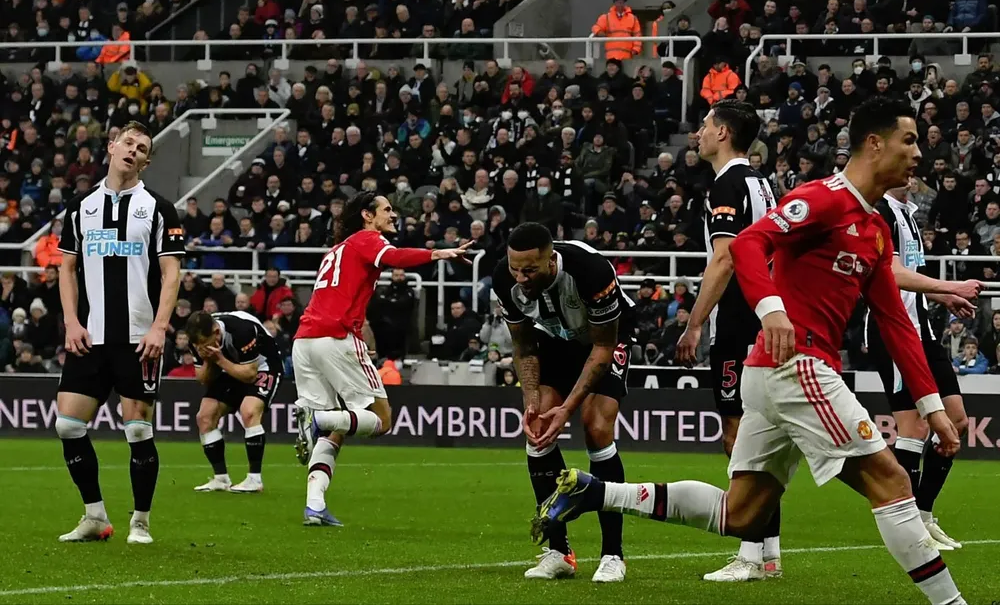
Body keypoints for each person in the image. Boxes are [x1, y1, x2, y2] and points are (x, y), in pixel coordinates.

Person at [531, 98, 966, 605]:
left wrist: (932, 409)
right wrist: (772, 309)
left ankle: (596, 491)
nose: (919, 154)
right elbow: (747, 245)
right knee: (892, 482)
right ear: (875, 143)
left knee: (741, 514)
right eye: (909, 141)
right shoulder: (824, 199)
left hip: (771, 373)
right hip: (796, 364)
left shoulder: (873, 230)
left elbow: (896, 324)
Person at [292, 191, 470, 526]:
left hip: (305, 341)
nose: (393, 214)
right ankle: (317, 420)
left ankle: (314, 505)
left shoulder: (337, 250)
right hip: (336, 338)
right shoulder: (366, 239)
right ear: (366, 215)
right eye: (387, 209)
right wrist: (439, 253)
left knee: (340, 430)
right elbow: (397, 258)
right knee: (382, 420)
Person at [54, 121, 184, 544]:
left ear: (146, 161)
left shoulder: (159, 208)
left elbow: (171, 273)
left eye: (141, 147)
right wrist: (71, 322)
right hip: (89, 335)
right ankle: (95, 516)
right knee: (68, 426)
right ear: (111, 146)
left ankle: (140, 521)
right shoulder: (80, 207)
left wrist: (160, 328)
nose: (132, 150)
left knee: (137, 430)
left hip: (138, 337)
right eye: (127, 142)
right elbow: (67, 269)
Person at [493, 223, 636, 583]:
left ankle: (613, 554)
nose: (521, 277)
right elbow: (523, 345)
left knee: (597, 427)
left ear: (550, 260)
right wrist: (531, 400)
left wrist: (568, 409)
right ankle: (559, 551)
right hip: (555, 336)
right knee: (538, 426)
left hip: (606, 337)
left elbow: (602, 349)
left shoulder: (590, 271)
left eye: (530, 270)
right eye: (515, 269)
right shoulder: (504, 278)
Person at [675, 99, 781, 581]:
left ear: (722, 133)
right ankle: (770, 550)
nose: (697, 133)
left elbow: (725, 259)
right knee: (761, 434)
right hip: (767, 316)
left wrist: (696, 322)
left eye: (704, 125)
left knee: (739, 436)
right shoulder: (762, 182)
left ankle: (750, 553)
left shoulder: (727, 184)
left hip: (739, 321)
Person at [865, 185, 982, 552]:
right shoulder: (880, 211)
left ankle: (925, 515)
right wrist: (952, 284)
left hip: (922, 329)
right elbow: (892, 273)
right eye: (907, 150)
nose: (914, 163)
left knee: (957, 420)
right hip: (892, 328)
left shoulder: (908, 214)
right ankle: (907, 525)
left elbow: (913, 277)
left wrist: (943, 296)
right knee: (913, 425)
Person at [186, 309, 284, 494]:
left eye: (205, 345)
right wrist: (208, 360)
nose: (201, 348)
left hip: (263, 365)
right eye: (199, 346)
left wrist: (220, 360)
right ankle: (220, 479)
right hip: (228, 366)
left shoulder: (241, 330)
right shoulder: (198, 341)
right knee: (204, 417)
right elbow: (203, 378)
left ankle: (254, 479)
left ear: (216, 333)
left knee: (249, 411)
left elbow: (249, 374)